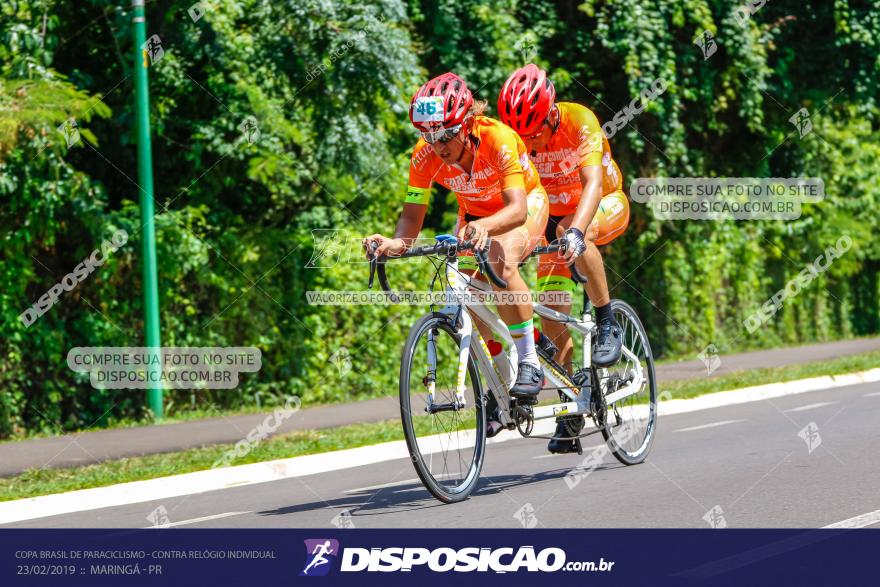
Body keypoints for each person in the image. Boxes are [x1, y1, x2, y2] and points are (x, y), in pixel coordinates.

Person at [363, 72, 550, 400]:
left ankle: (530, 360)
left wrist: (486, 228)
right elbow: (411, 216)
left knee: (499, 261)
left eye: (447, 135)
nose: (439, 146)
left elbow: (517, 209)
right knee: (462, 288)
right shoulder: (424, 155)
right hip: (474, 217)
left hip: (524, 205)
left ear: (467, 122)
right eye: (429, 135)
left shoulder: (497, 139)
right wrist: (395, 244)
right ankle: (500, 381)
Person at [498, 64, 630, 453]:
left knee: (572, 231)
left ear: (551, 112)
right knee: (552, 313)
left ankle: (607, 322)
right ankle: (571, 405)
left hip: (603, 203)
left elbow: (592, 183)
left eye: (535, 131)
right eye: (521, 136)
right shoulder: (519, 140)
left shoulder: (579, 120)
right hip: (553, 218)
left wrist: (575, 229)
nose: (530, 142)